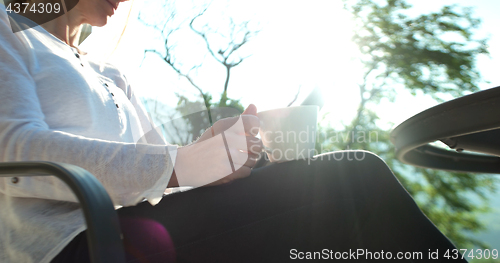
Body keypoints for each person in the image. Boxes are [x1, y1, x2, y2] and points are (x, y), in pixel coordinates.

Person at [0, 0, 467, 262]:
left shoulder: (111, 72)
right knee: (354, 179)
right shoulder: (8, 29)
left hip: (139, 227)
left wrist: (218, 148)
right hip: (78, 246)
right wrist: (191, 164)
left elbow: (158, 172)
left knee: (337, 199)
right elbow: (13, 147)